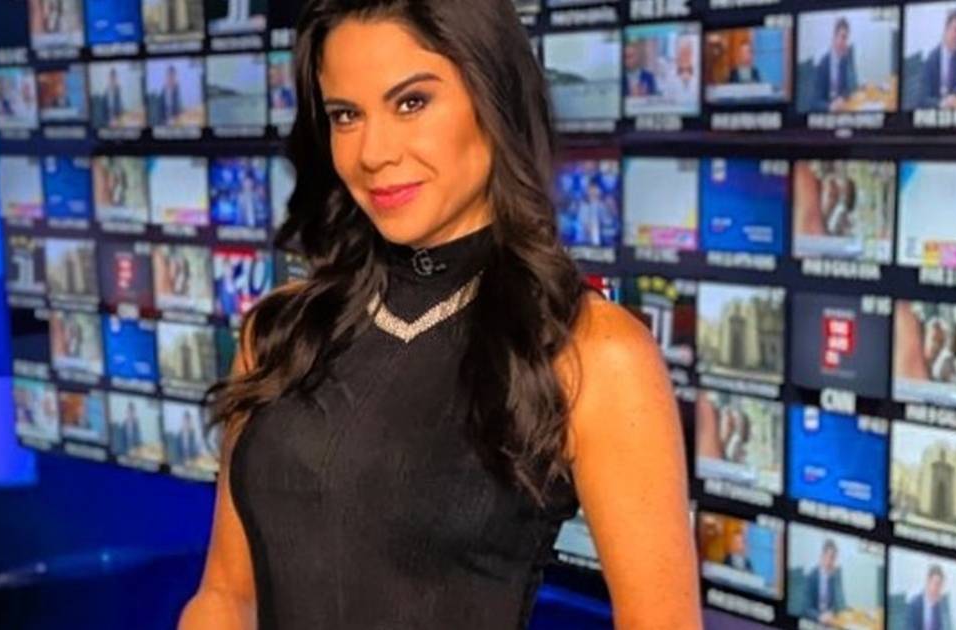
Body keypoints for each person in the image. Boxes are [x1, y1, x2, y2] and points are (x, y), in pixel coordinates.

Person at [178, 1, 700, 628]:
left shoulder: (592, 350)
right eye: (346, 115)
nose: (373, 152)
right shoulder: (281, 331)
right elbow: (226, 596)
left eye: (411, 102)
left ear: (492, 95)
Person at [921, 9, 956, 109]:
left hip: (953, 108)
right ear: (946, 30)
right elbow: (922, 99)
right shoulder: (931, 60)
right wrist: (942, 103)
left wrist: (953, 96)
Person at [812, 17, 859, 112]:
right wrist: (830, 106)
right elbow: (815, 102)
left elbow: (847, 89)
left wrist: (842, 98)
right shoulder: (823, 64)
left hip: (842, 108)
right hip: (828, 113)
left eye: (847, 39)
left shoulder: (844, 60)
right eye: (843, 37)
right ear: (834, 37)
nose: (845, 43)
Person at [802, 539, 846, 624]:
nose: (833, 562)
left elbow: (839, 603)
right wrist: (819, 616)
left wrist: (835, 580)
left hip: (830, 619)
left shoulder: (833, 577)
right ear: (822, 556)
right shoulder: (811, 577)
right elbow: (806, 608)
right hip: (816, 620)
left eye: (835, 558)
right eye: (831, 557)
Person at [906, 564, 952, 630]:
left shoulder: (937, 607)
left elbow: (940, 627)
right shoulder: (914, 605)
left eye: (941, 586)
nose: (939, 589)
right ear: (928, 582)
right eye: (937, 584)